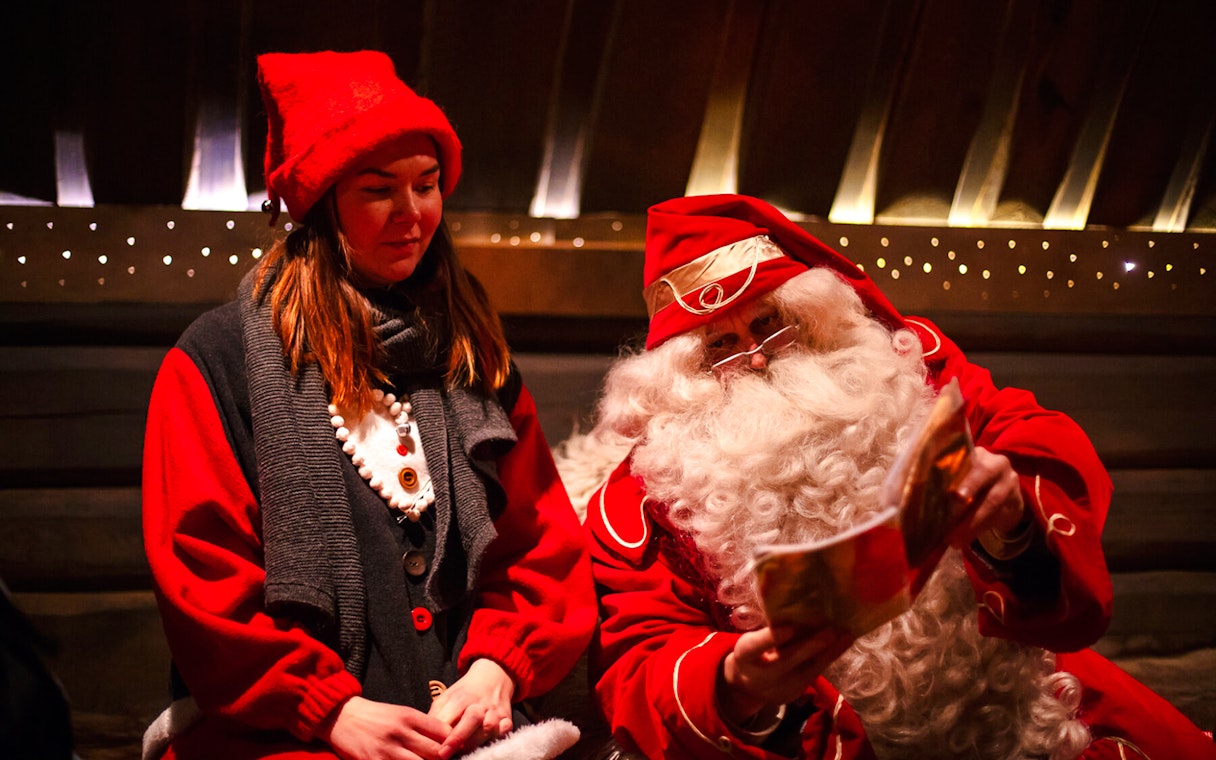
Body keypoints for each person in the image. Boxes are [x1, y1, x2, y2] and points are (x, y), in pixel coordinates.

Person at [556, 194, 1216, 759]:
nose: (755, 361)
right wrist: (735, 681)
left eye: (768, 326)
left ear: (810, 319)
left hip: (1020, 704)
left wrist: (1010, 518)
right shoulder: (645, 495)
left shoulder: (908, 373)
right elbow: (640, 657)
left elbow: (1035, 443)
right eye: (720, 346)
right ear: (683, 375)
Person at [141, 50, 597, 760]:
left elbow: (538, 545)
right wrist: (327, 709)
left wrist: (497, 665)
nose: (412, 214)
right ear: (322, 202)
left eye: (427, 183)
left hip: (467, 733)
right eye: (379, 189)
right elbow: (204, 580)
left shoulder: (471, 353)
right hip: (283, 737)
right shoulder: (219, 360)